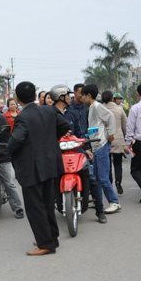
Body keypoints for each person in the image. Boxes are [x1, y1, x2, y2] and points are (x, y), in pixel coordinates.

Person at [8, 81, 69, 255]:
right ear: (35, 96)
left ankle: (45, 244)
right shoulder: (49, 110)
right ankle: (52, 238)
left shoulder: (23, 117)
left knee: (35, 207)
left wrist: (7, 150)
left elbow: (17, 139)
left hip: (32, 168)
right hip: (50, 164)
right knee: (48, 204)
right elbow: (65, 125)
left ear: (18, 99)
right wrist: (50, 140)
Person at [51, 85, 92, 217]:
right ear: (60, 97)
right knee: (52, 178)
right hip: (56, 151)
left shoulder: (72, 113)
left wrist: (86, 148)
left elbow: (80, 133)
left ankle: (99, 209)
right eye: (67, 95)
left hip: (75, 149)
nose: (70, 98)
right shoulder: (48, 114)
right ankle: (54, 203)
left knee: (90, 174)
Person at [81, 84, 119, 216]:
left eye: (83, 95)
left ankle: (114, 202)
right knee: (97, 177)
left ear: (89, 96)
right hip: (96, 146)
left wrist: (111, 134)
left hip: (102, 145)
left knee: (102, 177)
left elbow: (110, 117)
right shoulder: (92, 107)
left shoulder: (97, 106)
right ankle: (100, 203)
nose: (81, 98)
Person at [102, 90, 127, 195]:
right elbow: (124, 126)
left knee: (107, 165)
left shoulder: (100, 109)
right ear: (112, 98)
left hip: (103, 140)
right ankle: (118, 182)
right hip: (117, 139)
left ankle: (110, 184)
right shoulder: (119, 109)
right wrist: (124, 137)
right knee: (118, 164)